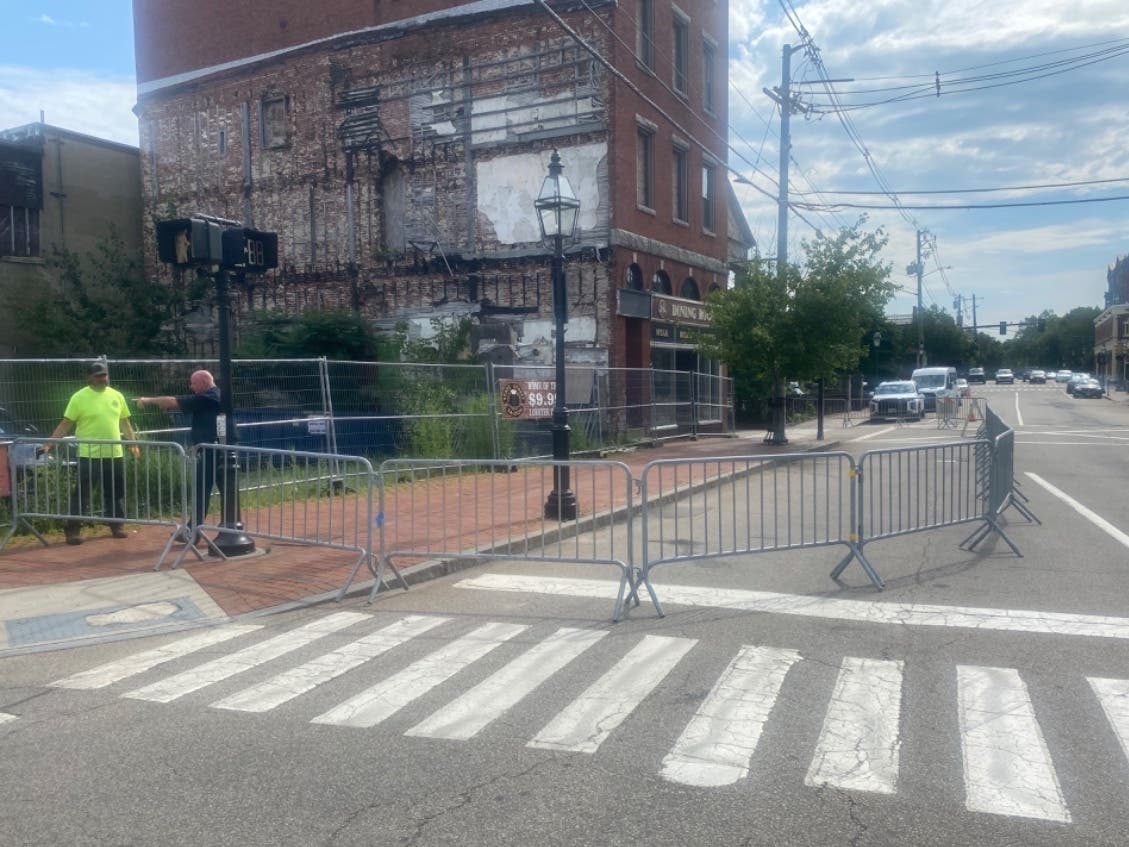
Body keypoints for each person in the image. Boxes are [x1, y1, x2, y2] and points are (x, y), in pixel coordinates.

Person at [45, 361, 140, 545]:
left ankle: (116, 525)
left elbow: (125, 423)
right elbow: (66, 423)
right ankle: (73, 529)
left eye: (104, 375)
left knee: (115, 491)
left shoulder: (117, 396)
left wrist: (133, 443)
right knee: (82, 493)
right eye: (98, 375)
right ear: (89, 377)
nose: (102, 378)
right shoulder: (79, 397)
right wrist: (50, 443)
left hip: (114, 454)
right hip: (89, 455)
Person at [136, 369, 222, 543]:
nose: (191, 387)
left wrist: (148, 400)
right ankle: (197, 530)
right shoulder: (212, 396)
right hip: (212, 449)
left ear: (204, 382)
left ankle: (198, 532)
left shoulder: (209, 396)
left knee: (202, 491)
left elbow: (173, 402)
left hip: (213, 452)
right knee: (217, 491)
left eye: (194, 383)